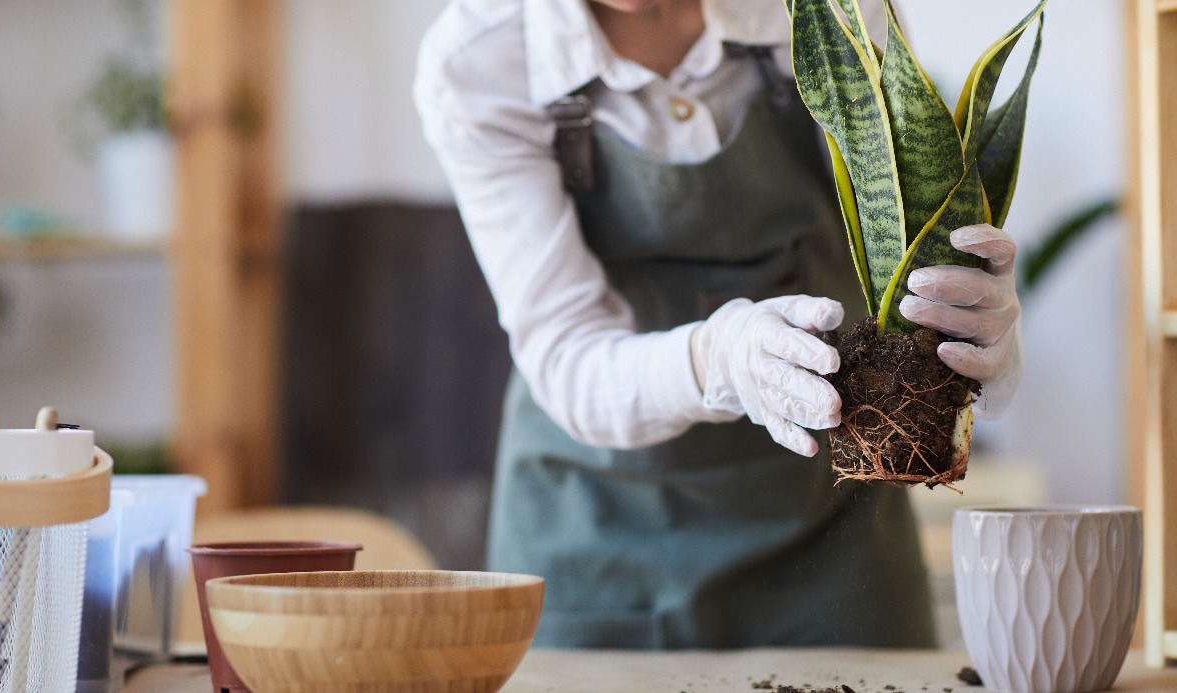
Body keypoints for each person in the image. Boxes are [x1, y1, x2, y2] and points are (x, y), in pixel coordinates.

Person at [414, 0, 1022, 649]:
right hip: (597, 536)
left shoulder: (832, 9)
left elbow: (902, 242)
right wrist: (719, 357)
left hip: (831, 534)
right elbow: (567, 351)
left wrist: (982, 345)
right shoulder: (481, 61)